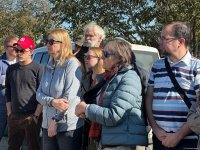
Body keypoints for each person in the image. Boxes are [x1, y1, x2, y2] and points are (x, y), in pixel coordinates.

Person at [75, 39, 148, 150]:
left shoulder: (129, 78)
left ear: (119, 57)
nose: (102, 57)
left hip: (124, 144)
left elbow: (115, 115)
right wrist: (87, 113)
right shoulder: (111, 77)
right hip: (112, 141)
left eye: (105, 54)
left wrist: (87, 109)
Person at [145, 22, 200, 149]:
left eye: (165, 38)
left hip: (188, 140)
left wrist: (178, 135)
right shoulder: (156, 66)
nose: (160, 41)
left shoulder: (196, 66)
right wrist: (156, 130)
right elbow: (148, 100)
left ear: (180, 42)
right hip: (160, 139)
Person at [36, 28, 83, 150]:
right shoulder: (49, 65)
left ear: (63, 44)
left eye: (51, 42)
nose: (47, 44)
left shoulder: (72, 64)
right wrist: (52, 101)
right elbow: (38, 94)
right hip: (47, 124)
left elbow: (69, 97)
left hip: (66, 126)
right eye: (47, 41)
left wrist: (55, 120)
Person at [6, 35, 43, 150]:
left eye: (22, 50)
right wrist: (9, 113)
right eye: (17, 50)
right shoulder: (11, 69)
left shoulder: (38, 68)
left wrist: (36, 115)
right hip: (15, 116)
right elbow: (8, 91)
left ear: (31, 51)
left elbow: (42, 93)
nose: (19, 53)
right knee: (12, 146)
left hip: (31, 116)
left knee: (33, 146)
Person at [81, 47, 105, 150]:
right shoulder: (86, 77)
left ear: (99, 59)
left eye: (89, 57)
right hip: (84, 125)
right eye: (85, 56)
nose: (86, 59)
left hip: (98, 127)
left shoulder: (105, 79)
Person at [0, 36, 18, 141]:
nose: (17, 48)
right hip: (1, 105)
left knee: (15, 137)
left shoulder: (21, 62)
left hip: (16, 106)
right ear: (6, 48)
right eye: (14, 46)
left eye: (18, 46)